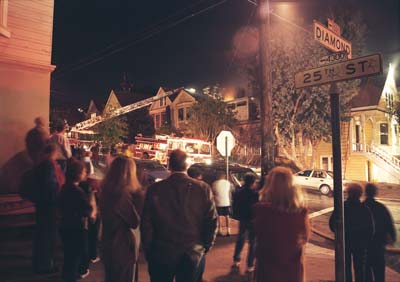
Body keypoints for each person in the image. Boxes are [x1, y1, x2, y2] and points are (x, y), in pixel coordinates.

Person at [141, 149, 217, 282]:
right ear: (187, 165)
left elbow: (147, 223)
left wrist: (149, 250)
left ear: (169, 165)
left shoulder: (155, 189)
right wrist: (205, 247)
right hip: (193, 251)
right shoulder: (202, 188)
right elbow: (211, 221)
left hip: (161, 251)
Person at [253, 166, 310, 282]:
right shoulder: (301, 212)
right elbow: (305, 238)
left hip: (268, 268)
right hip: (292, 270)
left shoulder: (262, 210)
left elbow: (259, 236)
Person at [99, 156, 144, 282]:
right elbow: (134, 222)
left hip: (108, 241)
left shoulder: (107, 191)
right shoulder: (120, 196)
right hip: (121, 245)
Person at [330, 183, 374, 282]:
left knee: (346, 267)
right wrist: (365, 241)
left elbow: (332, 224)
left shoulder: (342, 207)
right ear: (360, 194)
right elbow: (370, 229)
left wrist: (339, 234)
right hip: (360, 244)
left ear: (348, 193)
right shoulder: (364, 209)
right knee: (359, 269)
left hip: (345, 242)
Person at [32, 143, 65, 274]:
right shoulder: (48, 166)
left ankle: (41, 263)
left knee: (42, 234)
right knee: (47, 235)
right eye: (57, 152)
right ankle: (45, 265)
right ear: (53, 152)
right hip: (49, 206)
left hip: (42, 205)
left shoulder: (41, 164)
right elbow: (51, 187)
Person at [58, 159, 92, 282]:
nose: (85, 173)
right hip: (76, 227)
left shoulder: (64, 188)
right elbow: (87, 210)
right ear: (78, 174)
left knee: (69, 255)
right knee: (76, 255)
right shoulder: (78, 192)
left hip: (65, 225)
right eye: (83, 171)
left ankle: (67, 276)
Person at [364, 183, 396, 282]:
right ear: (375, 193)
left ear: (365, 193)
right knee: (379, 271)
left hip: (365, 245)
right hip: (378, 243)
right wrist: (392, 237)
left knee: (366, 271)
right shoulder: (381, 207)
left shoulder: (362, 206)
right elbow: (389, 223)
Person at [232, 173, 258, 272]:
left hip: (243, 219)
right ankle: (250, 265)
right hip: (252, 219)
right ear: (253, 182)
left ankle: (236, 259)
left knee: (240, 239)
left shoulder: (239, 192)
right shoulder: (256, 194)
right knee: (252, 242)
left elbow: (235, 205)